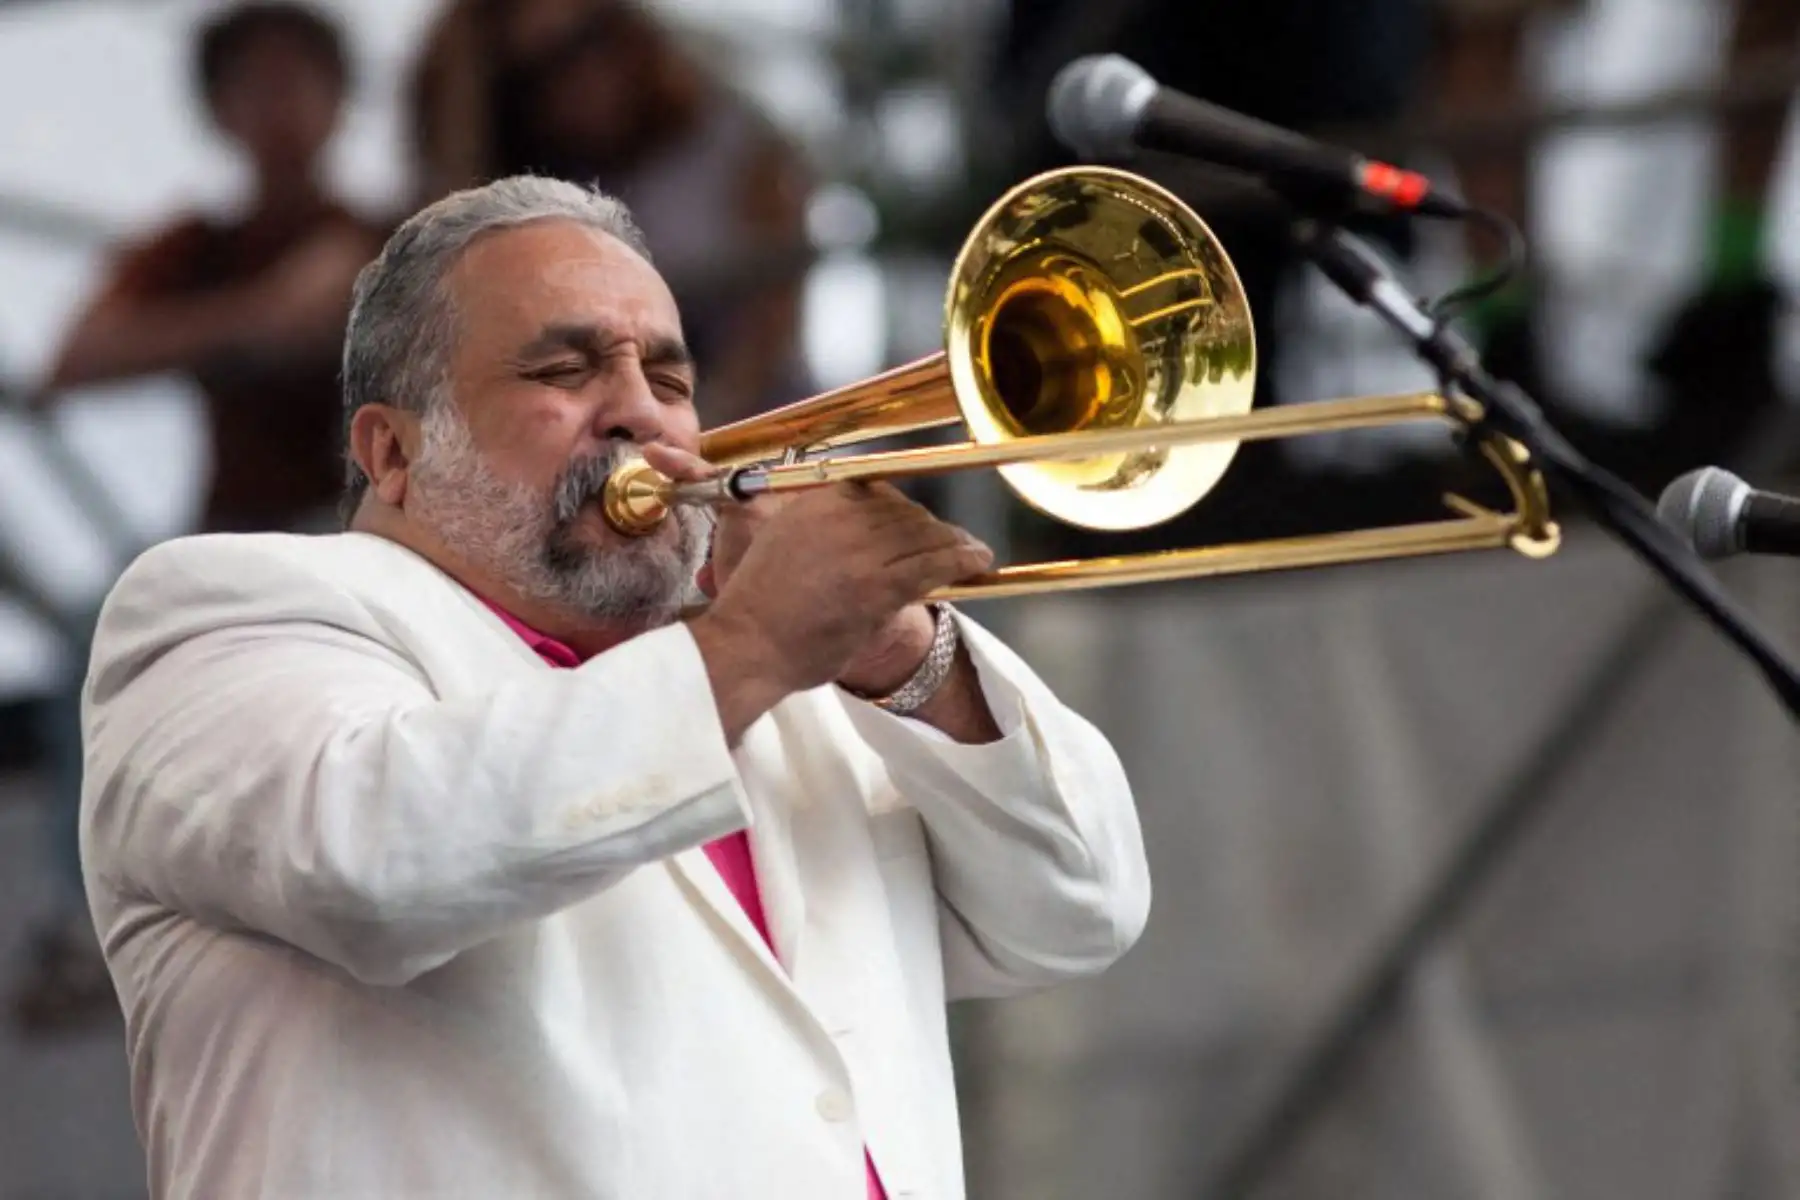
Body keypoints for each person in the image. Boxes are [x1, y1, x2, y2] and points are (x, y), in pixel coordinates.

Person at [77, 176, 1149, 1199]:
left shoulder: (795, 687)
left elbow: (1079, 909)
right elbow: (370, 858)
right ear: (393, 451)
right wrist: (759, 642)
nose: (641, 413)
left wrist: (913, 664)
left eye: (672, 379)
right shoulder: (224, 612)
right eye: (564, 371)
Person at [11, 1, 382, 1032]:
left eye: (296, 79)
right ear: (218, 112)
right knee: (103, 639)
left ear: (340, 98)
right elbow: (72, 360)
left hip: (374, 535)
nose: (279, 108)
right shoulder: (202, 245)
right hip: (243, 536)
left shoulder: (398, 233)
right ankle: (80, 920)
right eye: (254, 84)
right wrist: (256, 318)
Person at [408, 0, 813, 430]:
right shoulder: (522, 192)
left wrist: (699, 426)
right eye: (542, 71)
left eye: (592, 39)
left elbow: (773, 316)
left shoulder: (729, 137)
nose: (581, 77)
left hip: (753, 423)